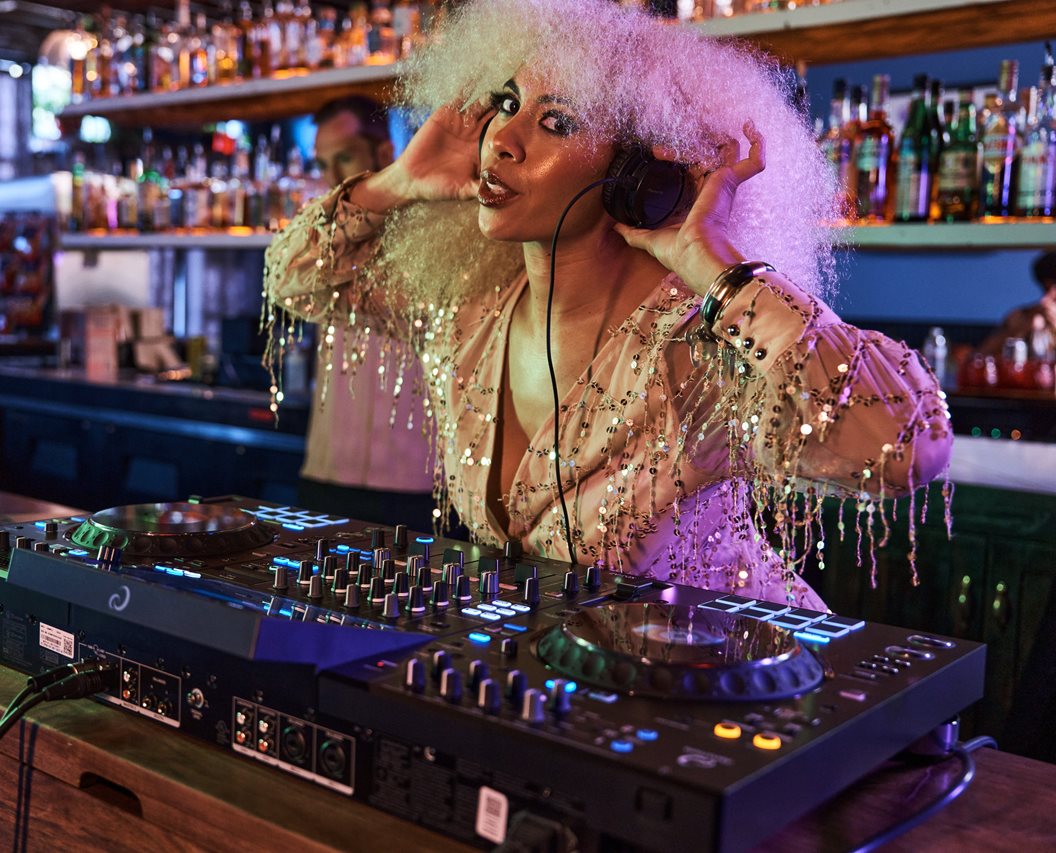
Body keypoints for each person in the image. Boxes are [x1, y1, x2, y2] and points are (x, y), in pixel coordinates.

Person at [263, 0, 952, 608]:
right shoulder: (468, 316)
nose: (503, 138)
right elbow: (296, 279)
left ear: (636, 174)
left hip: (736, 697)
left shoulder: (696, 351)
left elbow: (903, 445)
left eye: (555, 121)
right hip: (575, 696)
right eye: (506, 104)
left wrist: (718, 269)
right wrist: (396, 183)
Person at [293, 96, 436, 529]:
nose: (333, 178)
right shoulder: (320, 237)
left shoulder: (434, 233)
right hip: (326, 472)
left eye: (345, 158)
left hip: (415, 480)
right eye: (322, 164)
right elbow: (285, 280)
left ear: (385, 153)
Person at [978, 250, 1056, 359]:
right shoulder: (1024, 315)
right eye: (1046, 288)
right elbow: (981, 357)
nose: (1046, 298)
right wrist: (1019, 330)